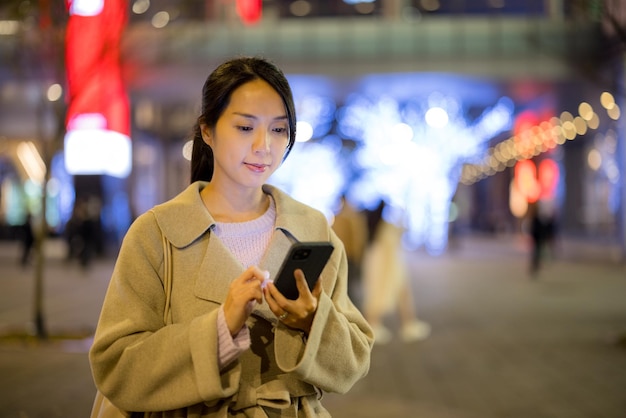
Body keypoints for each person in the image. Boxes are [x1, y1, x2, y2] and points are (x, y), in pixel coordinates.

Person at [89, 56, 373, 417]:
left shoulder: (313, 229)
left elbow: (355, 362)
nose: (263, 146)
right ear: (207, 130)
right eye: (244, 128)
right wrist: (220, 328)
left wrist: (312, 322)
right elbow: (116, 366)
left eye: (278, 130)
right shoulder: (156, 233)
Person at [361, 200, 430, 345]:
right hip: (389, 263)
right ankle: (376, 324)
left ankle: (405, 323)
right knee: (381, 294)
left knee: (384, 293)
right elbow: (397, 238)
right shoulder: (387, 227)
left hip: (380, 262)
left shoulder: (374, 227)